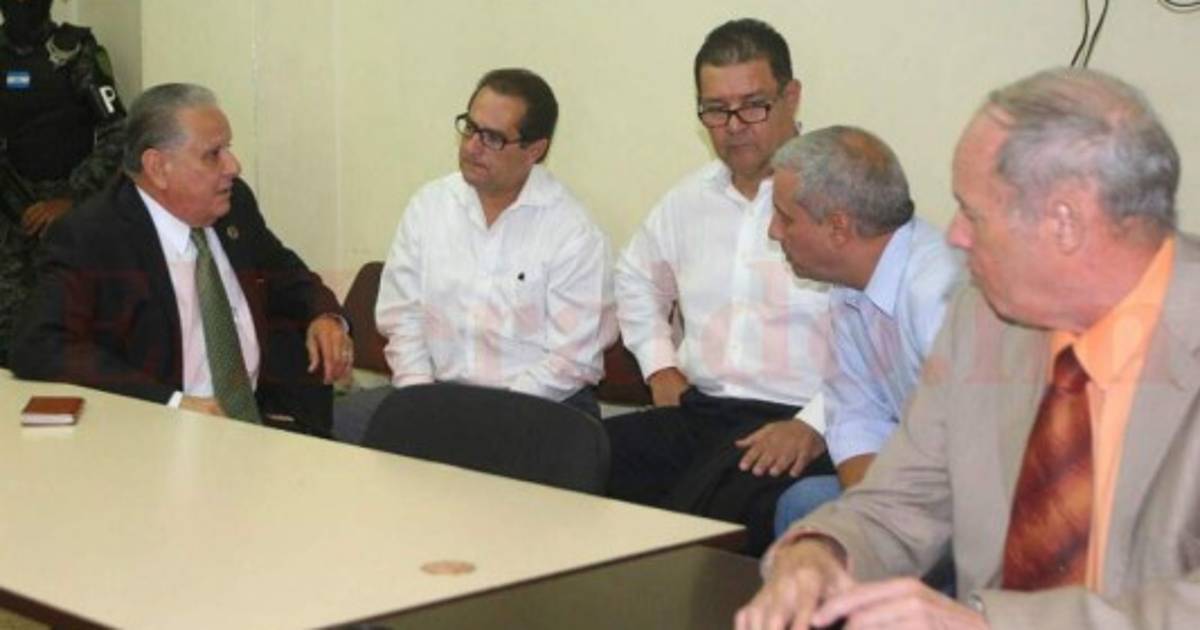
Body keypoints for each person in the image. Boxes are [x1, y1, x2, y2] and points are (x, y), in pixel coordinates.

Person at [737, 67, 1200, 629]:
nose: (954, 235)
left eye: (974, 214)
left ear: (1065, 221)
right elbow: (904, 497)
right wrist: (823, 552)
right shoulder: (982, 317)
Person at [605, 18, 832, 556]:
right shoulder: (688, 201)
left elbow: (884, 341)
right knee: (581, 456)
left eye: (753, 106)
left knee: (721, 507)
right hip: (701, 412)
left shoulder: (837, 196)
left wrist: (816, 425)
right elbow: (635, 278)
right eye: (715, 109)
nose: (733, 126)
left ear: (791, 97)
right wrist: (660, 365)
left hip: (796, 421)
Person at [9, 83, 351, 436]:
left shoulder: (234, 205)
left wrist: (325, 316)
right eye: (213, 154)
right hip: (156, 434)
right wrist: (169, 403)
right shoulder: (93, 235)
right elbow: (40, 344)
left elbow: (284, 272)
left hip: (267, 419)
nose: (233, 166)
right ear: (158, 167)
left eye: (228, 149)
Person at [332, 67, 614, 444]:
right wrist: (419, 399)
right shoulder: (429, 207)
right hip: (436, 394)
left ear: (535, 150)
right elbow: (402, 318)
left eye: (493, 138)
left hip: (539, 406)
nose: (471, 147)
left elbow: (571, 359)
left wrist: (485, 420)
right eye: (470, 128)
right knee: (331, 424)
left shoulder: (573, 233)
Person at [766, 126, 964, 535]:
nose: (773, 231)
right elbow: (856, 417)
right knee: (803, 504)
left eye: (785, 218)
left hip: (994, 504)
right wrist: (872, 520)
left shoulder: (941, 295)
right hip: (925, 489)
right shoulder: (849, 288)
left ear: (838, 228)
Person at [0, 0, 126, 365]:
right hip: (8, 216)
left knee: (68, 332)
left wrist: (73, 197)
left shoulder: (74, 51)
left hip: (66, 220)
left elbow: (118, 131)